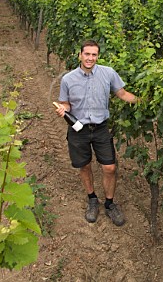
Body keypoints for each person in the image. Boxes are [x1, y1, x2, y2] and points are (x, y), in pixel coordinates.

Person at [55, 39, 139, 226]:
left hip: (101, 128)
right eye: (87, 54)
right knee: (84, 166)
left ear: (97, 56)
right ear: (80, 55)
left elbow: (123, 94)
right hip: (78, 129)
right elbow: (66, 104)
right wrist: (63, 109)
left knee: (109, 167)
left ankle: (109, 203)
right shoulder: (68, 79)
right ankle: (92, 199)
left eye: (94, 55)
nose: (90, 58)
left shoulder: (108, 73)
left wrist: (143, 101)